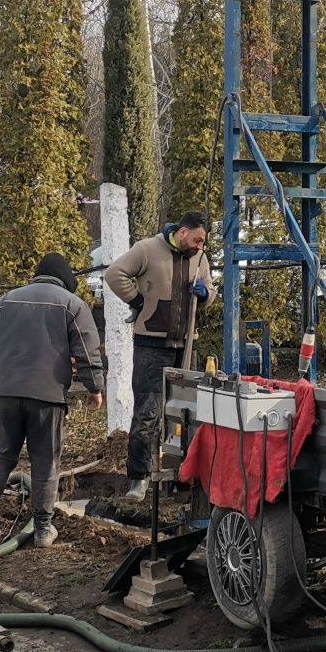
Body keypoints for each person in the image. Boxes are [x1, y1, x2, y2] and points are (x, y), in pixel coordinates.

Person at [0, 253, 105, 548]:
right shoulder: (71, 304)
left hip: (6, 393)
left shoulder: (7, 300)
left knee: (2, 453)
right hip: (47, 395)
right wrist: (95, 388)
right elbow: (87, 352)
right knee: (45, 459)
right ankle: (42, 529)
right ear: (66, 281)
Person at [103, 210, 214, 502]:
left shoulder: (200, 260)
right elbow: (114, 273)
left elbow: (211, 291)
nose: (200, 246)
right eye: (197, 239)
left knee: (185, 414)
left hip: (186, 344)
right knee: (148, 413)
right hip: (151, 345)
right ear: (182, 231)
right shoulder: (147, 250)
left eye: (203, 242)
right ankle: (138, 479)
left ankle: (182, 477)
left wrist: (205, 295)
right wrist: (138, 300)